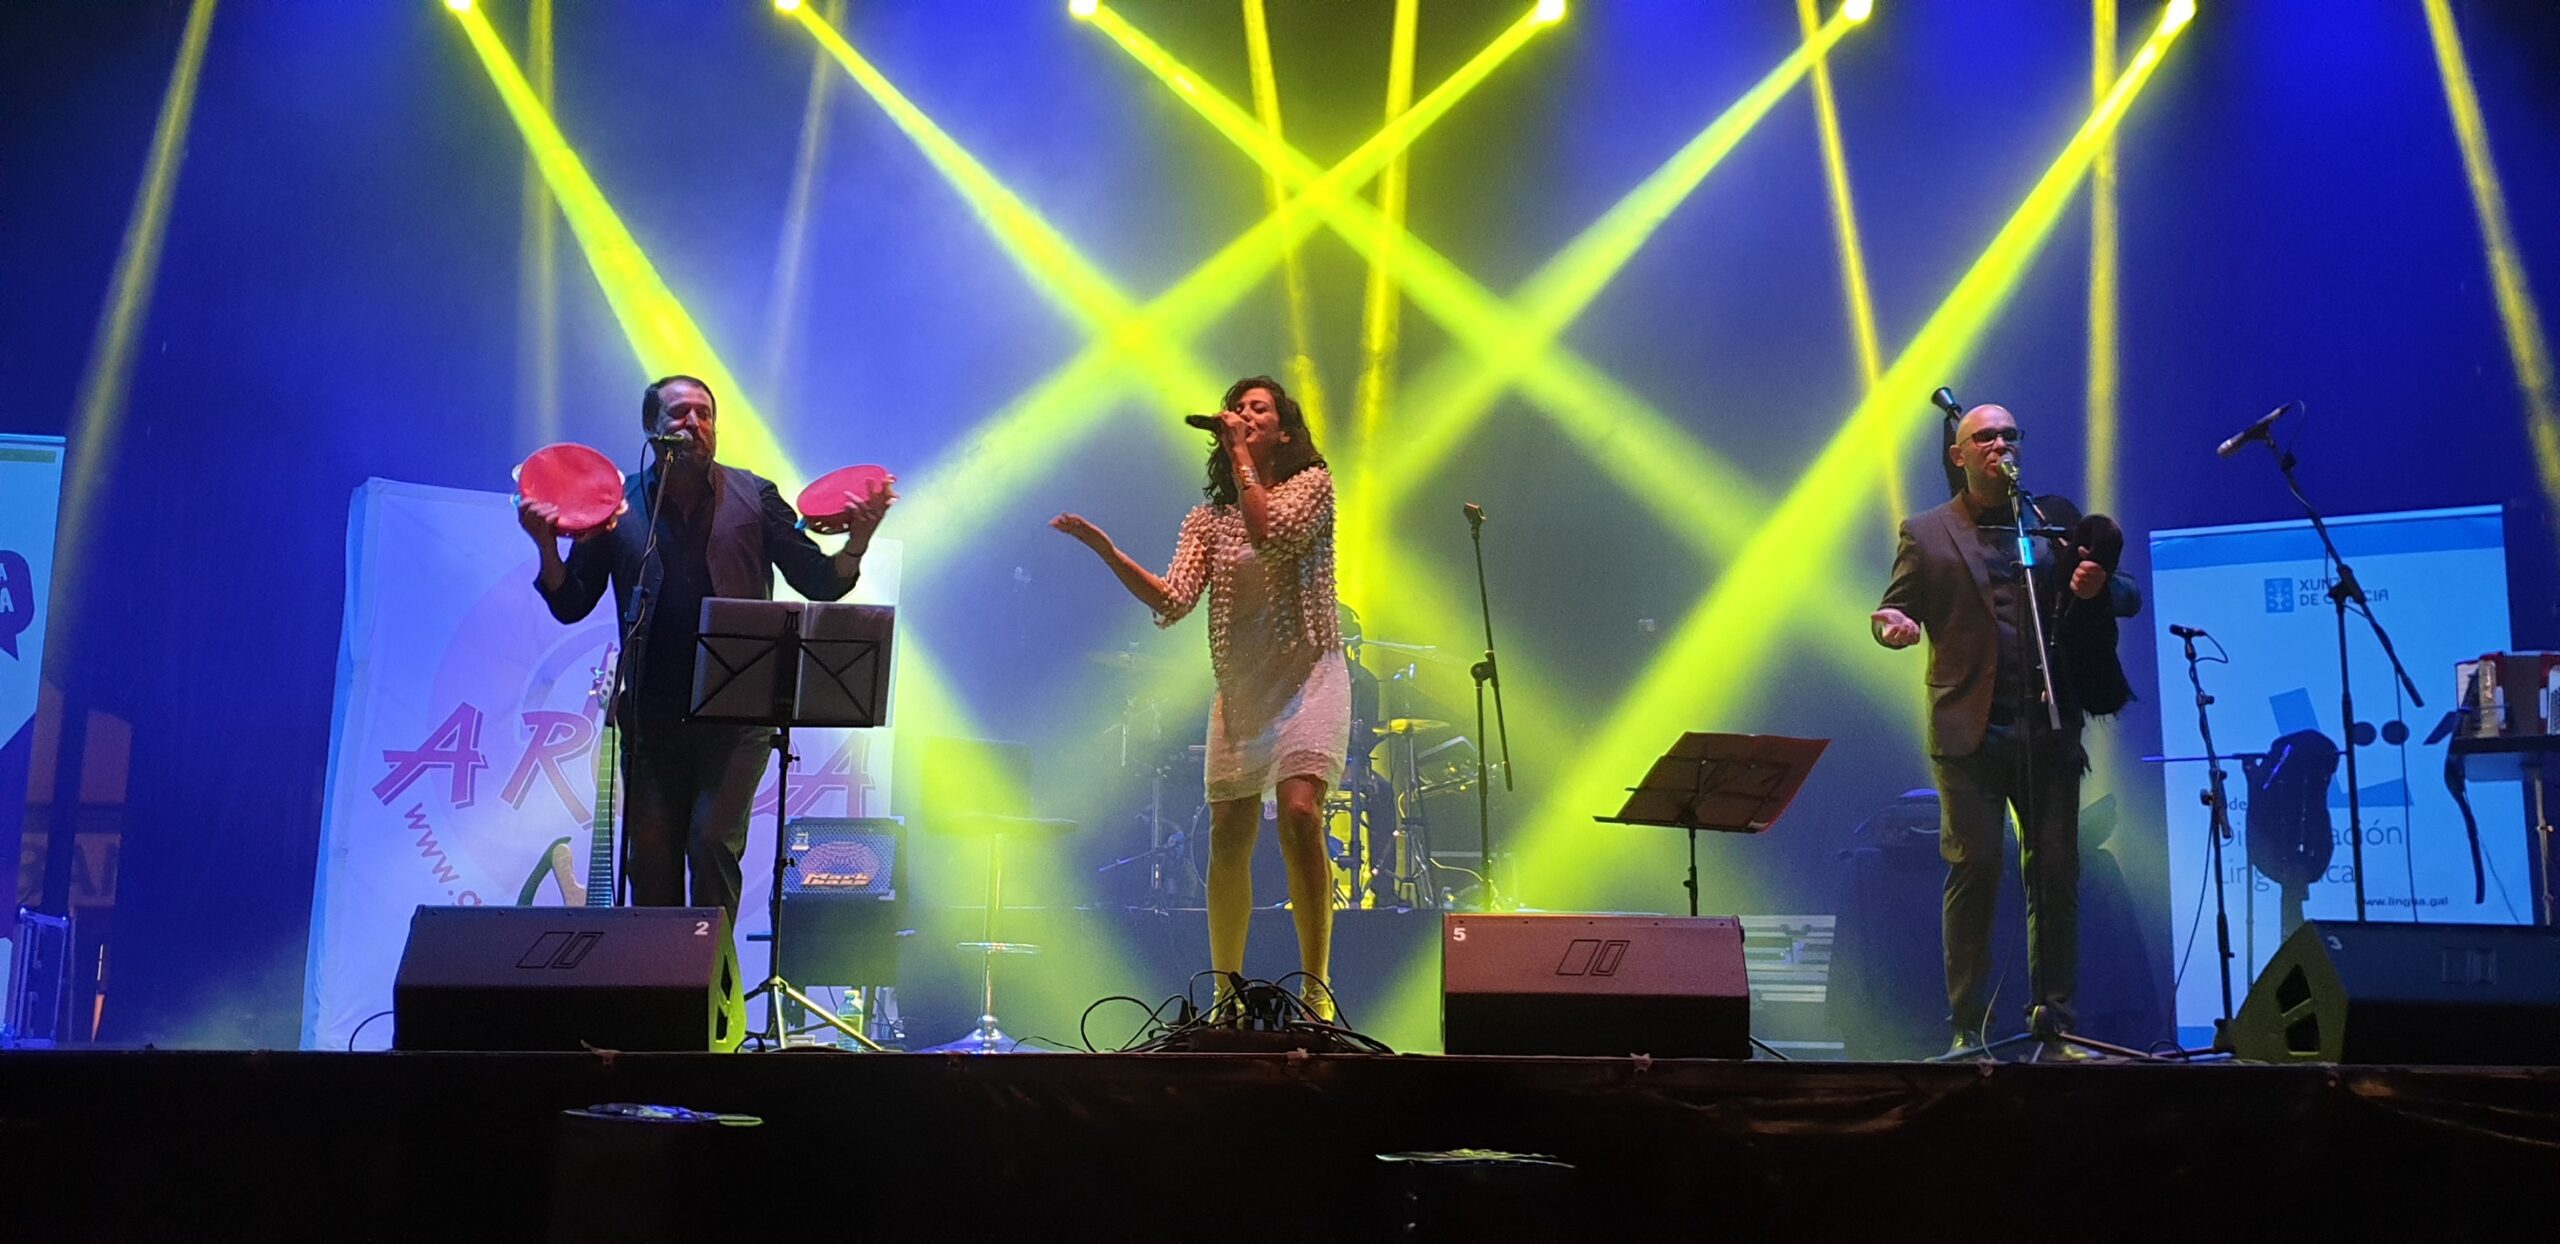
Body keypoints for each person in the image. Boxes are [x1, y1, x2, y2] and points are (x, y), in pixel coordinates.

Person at [516, 374, 894, 923]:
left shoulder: (756, 495)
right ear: (652, 428)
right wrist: (547, 549)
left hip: (737, 721)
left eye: (705, 414)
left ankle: (710, 977)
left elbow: (819, 580)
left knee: (712, 844)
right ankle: (657, 980)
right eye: (679, 414)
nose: (694, 423)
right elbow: (572, 602)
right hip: (651, 720)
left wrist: (857, 542)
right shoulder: (617, 506)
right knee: (649, 865)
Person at [1052, 375, 1347, 1019]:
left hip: (1308, 677)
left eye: (1258, 409)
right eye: (1237, 408)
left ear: (1285, 432)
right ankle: (1225, 994)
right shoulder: (1208, 521)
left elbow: (1270, 534)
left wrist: (1240, 455)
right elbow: (1173, 598)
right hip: (1244, 692)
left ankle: (1315, 989)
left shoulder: (1312, 486)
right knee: (1228, 833)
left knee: (1299, 814)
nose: (1243, 414)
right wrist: (1107, 552)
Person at [1868, 402, 2139, 1057]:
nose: (2000, 445)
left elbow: (2125, 595)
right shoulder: (1926, 532)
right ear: (1957, 454)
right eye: (1985, 436)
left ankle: (2057, 1022)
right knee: (1978, 868)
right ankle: (1969, 1025)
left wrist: (2098, 585)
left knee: (2056, 875)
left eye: (2009, 435)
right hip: (1969, 734)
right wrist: (1892, 627)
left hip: (2048, 728)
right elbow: (1894, 610)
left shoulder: (2049, 522)